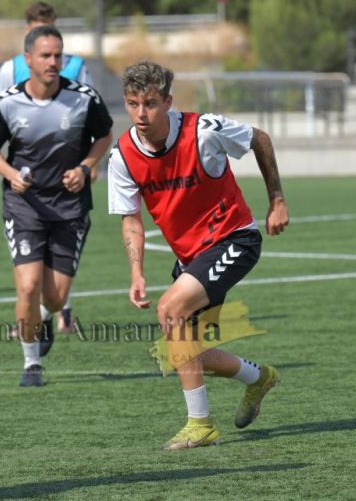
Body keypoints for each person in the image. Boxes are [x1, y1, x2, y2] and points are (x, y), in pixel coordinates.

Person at [107, 60, 289, 450]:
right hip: (191, 258)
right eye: (133, 104)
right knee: (186, 352)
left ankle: (200, 425)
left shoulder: (203, 130)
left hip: (235, 239)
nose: (141, 114)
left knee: (170, 310)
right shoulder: (122, 155)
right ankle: (259, 378)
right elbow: (131, 220)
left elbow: (259, 139)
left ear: (168, 102)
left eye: (150, 104)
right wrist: (136, 272)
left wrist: (276, 199)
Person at [0, 25, 113, 386]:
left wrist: (85, 168)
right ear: (28, 59)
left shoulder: (84, 98)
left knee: (55, 299)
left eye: (58, 55)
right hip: (24, 206)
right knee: (27, 286)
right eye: (46, 55)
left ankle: (44, 316)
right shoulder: (8, 102)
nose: (53, 62)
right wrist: (10, 174)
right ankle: (31, 363)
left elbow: (104, 136)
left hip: (70, 208)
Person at [0, 1, 94, 334]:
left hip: (67, 177)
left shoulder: (75, 66)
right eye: (37, 28)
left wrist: (88, 164)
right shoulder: (10, 69)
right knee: (29, 274)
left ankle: (57, 309)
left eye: (50, 26)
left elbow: (90, 114)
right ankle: (31, 321)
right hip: (27, 181)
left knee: (59, 268)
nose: (52, 60)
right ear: (28, 34)